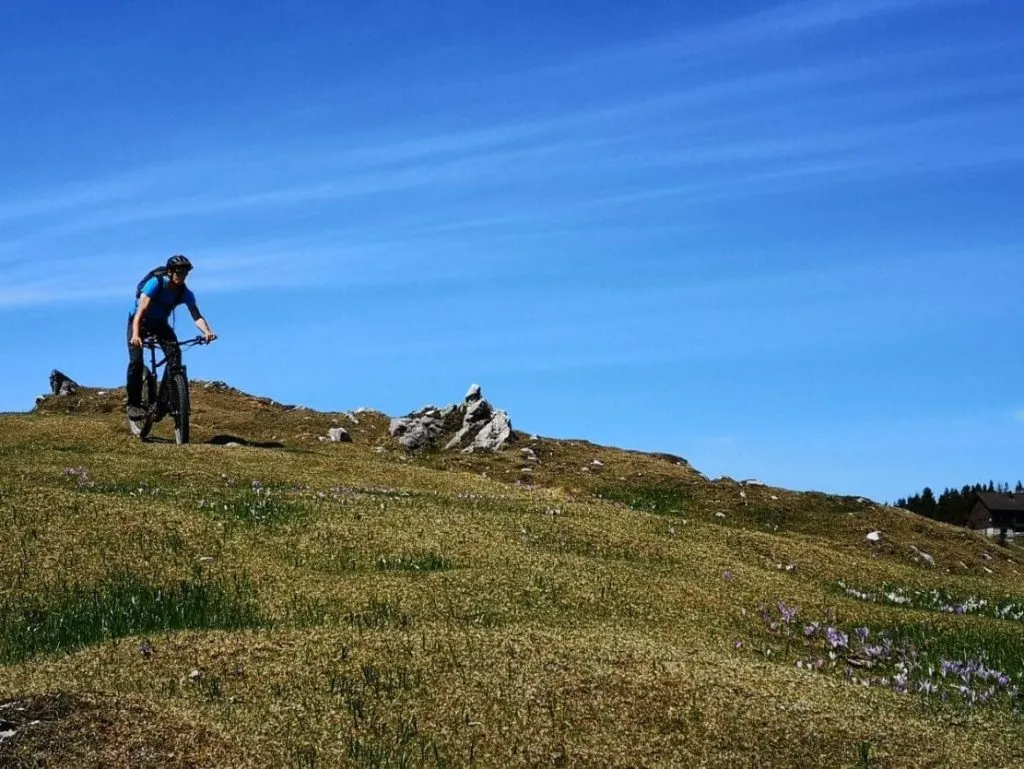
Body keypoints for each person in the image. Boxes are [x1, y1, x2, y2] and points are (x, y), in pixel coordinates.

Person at [126, 255, 217, 420]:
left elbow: (196, 315)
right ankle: (133, 404)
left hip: (159, 323)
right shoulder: (156, 284)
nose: (182, 276)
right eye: (179, 272)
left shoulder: (184, 292)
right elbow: (140, 312)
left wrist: (206, 331)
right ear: (170, 272)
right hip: (139, 322)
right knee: (136, 361)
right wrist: (136, 335)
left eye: (185, 273)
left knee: (175, 355)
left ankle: (163, 402)